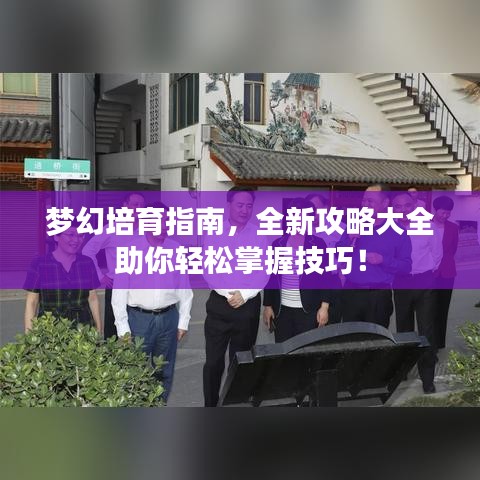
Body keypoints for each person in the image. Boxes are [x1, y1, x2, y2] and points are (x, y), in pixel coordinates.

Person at [111, 202, 193, 402]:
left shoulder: (176, 249)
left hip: (168, 318)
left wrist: (183, 321)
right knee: (132, 370)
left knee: (163, 371)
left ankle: (158, 407)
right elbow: (119, 292)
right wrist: (123, 328)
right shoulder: (130, 250)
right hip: (138, 320)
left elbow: (184, 288)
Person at [203, 187, 267, 407]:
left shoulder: (259, 235)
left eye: (249, 206)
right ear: (229, 205)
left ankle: (233, 405)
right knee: (213, 363)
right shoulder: (214, 233)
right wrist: (230, 293)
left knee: (241, 363)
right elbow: (209, 270)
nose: (244, 210)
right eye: (240, 205)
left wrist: (245, 295)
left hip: (247, 306)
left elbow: (263, 271)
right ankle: (210, 406)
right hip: (220, 305)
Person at [336, 185, 412, 328]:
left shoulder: (398, 232)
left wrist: (383, 260)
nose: (365, 205)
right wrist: (348, 240)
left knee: (376, 338)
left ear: (385, 203)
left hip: (378, 296)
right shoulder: (354, 225)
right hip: (351, 293)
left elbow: (406, 267)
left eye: (370, 201)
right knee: (350, 337)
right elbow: (338, 255)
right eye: (364, 200)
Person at [262, 198, 334, 343]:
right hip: (282, 310)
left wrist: (324, 307)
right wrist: (268, 306)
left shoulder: (318, 244)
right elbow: (271, 277)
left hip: (308, 310)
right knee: (283, 350)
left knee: (306, 350)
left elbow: (326, 278)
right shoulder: (278, 244)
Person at [392, 193, 440, 394]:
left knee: (426, 331)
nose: (403, 210)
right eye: (398, 206)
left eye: (407, 205)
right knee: (404, 329)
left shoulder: (428, 226)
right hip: (401, 282)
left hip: (424, 281)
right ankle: (402, 371)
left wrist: (425, 273)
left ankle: (427, 379)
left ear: (414, 206)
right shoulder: (389, 229)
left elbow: (437, 254)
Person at [83, 192, 145, 339]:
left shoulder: (147, 230)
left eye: (142, 206)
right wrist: (100, 276)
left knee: (138, 330)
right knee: (114, 330)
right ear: (125, 206)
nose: (139, 208)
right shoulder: (112, 229)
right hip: (117, 285)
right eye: (135, 204)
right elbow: (87, 251)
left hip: (141, 287)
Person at [24, 223, 102, 333]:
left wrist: (99, 329)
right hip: (50, 332)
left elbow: (92, 298)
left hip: (83, 331)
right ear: (56, 236)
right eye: (71, 235)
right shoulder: (39, 264)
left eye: (80, 236)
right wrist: (29, 334)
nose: (76, 240)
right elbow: (32, 302)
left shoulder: (87, 263)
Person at [432, 195, 459, 349]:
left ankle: (439, 342)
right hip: (429, 272)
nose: (445, 215)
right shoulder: (426, 225)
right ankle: (428, 340)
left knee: (443, 308)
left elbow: (453, 249)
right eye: (443, 212)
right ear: (436, 210)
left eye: (448, 212)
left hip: (447, 273)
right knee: (429, 308)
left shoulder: (453, 228)